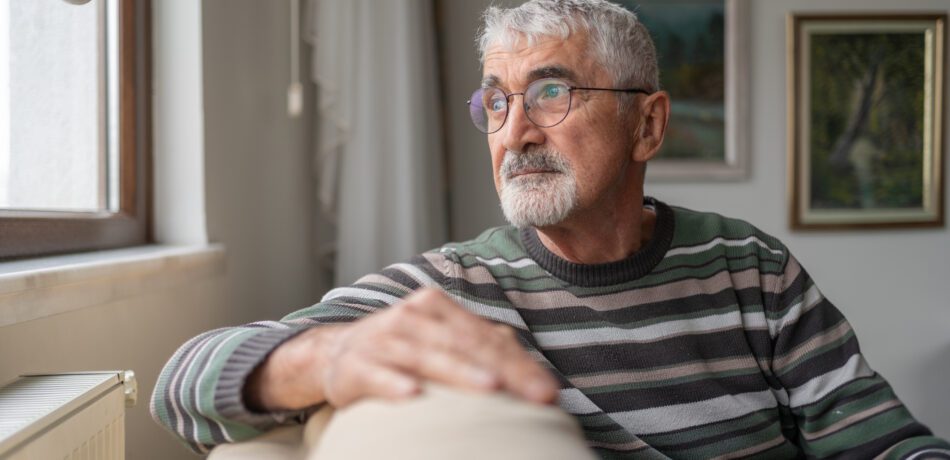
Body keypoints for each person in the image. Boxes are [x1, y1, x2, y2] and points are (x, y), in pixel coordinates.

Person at [151, 0, 950, 458]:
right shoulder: (450, 288)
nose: (514, 132)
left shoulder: (751, 268)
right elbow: (179, 384)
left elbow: (882, 443)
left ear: (647, 125)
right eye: (496, 101)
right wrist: (329, 352)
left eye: (551, 92)